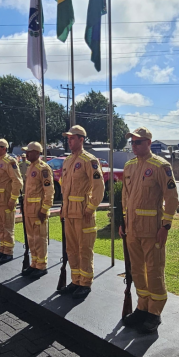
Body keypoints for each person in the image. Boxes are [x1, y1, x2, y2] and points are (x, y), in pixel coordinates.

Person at [119, 127, 179, 334]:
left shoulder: (160, 166)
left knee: (154, 271)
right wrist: (123, 222)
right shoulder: (129, 167)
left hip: (152, 230)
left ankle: (154, 313)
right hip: (132, 230)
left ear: (149, 143)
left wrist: (166, 226)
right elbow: (125, 198)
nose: (134, 146)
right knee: (137, 270)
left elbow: (172, 199)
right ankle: (142, 307)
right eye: (132, 142)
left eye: (138, 142)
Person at [58, 125, 105, 300]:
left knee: (84, 248)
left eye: (72, 138)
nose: (69, 141)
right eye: (68, 138)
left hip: (83, 212)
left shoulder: (89, 160)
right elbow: (65, 187)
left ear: (81, 139)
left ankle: (85, 283)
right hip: (69, 212)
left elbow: (99, 186)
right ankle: (75, 280)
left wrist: (91, 207)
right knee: (71, 248)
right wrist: (63, 207)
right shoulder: (68, 160)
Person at [21, 142, 55, 278]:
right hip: (29, 209)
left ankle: (41, 266)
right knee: (31, 238)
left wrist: (44, 209)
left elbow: (49, 191)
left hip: (38, 211)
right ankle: (34, 263)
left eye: (29, 151)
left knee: (40, 238)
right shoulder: (30, 168)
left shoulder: (43, 169)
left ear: (36, 152)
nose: (27, 154)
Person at [0, 139, 24, 263]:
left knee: (7, 227)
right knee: (0, 227)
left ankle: (8, 252)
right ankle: (2, 249)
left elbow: (17, 181)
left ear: (4, 148)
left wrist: (13, 199)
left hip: (5, 201)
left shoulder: (10, 162)